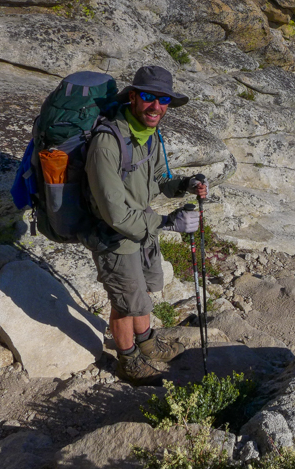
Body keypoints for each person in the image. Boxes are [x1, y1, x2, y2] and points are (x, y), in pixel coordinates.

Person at [86, 65, 208, 385]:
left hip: (141, 228)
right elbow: (114, 214)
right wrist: (167, 222)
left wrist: (186, 184)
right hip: (113, 236)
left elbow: (159, 179)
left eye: (163, 100)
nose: (156, 106)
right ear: (133, 97)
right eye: (148, 97)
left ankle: (148, 343)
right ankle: (128, 361)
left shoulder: (148, 135)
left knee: (143, 291)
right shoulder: (107, 142)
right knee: (125, 302)